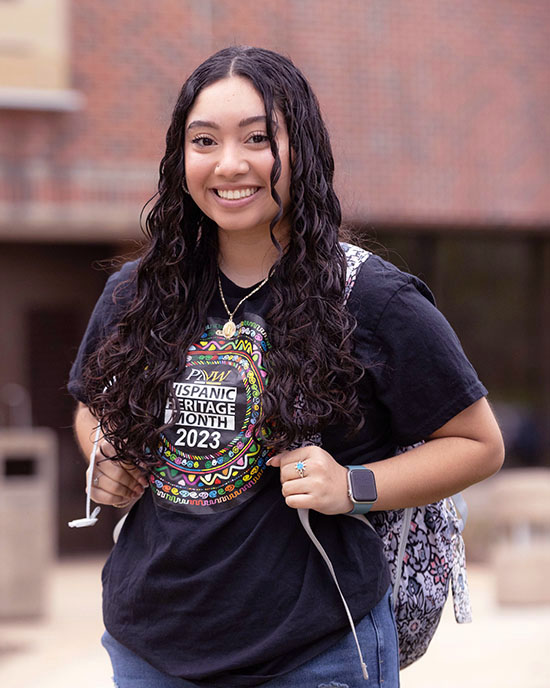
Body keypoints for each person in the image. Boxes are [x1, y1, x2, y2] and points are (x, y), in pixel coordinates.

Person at [68, 46, 504, 688]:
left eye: (257, 139)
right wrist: (105, 453)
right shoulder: (137, 294)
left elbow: (478, 444)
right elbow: (92, 406)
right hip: (149, 647)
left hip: (312, 651)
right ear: (179, 157)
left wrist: (354, 485)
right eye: (204, 140)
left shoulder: (371, 298)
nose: (230, 164)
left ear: (300, 149)